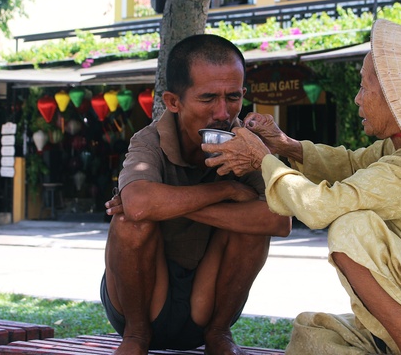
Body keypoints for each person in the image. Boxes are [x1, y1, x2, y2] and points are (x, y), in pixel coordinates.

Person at [203, 19, 401, 354]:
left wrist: (261, 160)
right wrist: (284, 145)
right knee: (312, 335)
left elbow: (318, 206)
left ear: (396, 100)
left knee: (351, 228)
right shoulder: (400, 148)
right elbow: (352, 165)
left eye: (364, 88)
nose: (357, 99)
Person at [102, 34, 291, 355]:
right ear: (174, 102)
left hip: (208, 303)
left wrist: (165, 203)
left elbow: (279, 220)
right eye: (207, 98)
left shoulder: (247, 142)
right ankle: (135, 336)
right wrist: (227, 190)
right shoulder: (149, 141)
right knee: (129, 222)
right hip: (143, 301)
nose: (222, 112)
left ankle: (219, 332)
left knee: (254, 226)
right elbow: (135, 208)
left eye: (233, 97)